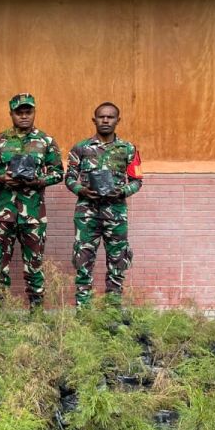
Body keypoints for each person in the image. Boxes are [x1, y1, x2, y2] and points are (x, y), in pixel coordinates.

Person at [0, 93, 64, 309]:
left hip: (33, 215)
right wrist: (1, 178)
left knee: (34, 265)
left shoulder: (46, 141)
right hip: (3, 214)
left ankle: (36, 313)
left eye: (28, 112)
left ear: (34, 112)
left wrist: (38, 181)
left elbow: (58, 173)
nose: (24, 116)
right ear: (11, 114)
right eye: (19, 112)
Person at [65, 101, 144, 307]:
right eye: (102, 117)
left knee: (117, 264)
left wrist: (123, 191)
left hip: (115, 215)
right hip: (87, 214)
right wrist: (81, 190)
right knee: (83, 264)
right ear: (95, 120)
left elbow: (137, 181)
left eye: (110, 117)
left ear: (118, 120)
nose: (106, 120)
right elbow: (69, 178)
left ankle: (112, 314)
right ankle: (83, 314)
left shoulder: (128, 149)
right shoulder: (80, 148)